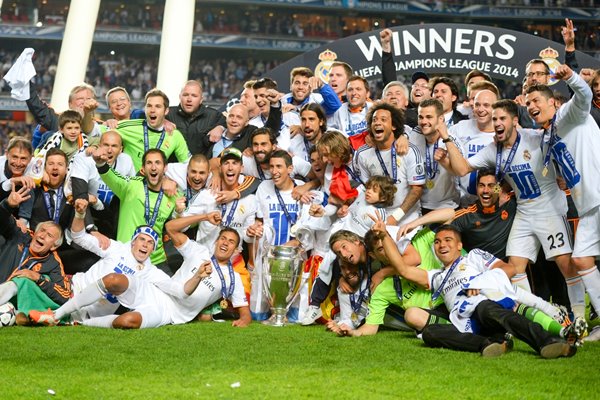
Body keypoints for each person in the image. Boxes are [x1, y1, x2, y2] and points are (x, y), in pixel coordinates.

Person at [441, 99, 574, 303]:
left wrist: (562, 174)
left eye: (502, 118)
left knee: (565, 264)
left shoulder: (534, 137)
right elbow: (462, 169)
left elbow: (561, 147)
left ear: (514, 121)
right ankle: (531, 311)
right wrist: (447, 139)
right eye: (495, 119)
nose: (497, 123)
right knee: (515, 266)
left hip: (550, 211)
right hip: (524, 212)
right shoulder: (493, 150)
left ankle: (579, 313)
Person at [377, 223, 576, 358]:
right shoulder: (436, 277)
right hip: (464, 322)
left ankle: (546, 342)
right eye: (437, 242)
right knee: (430, 334)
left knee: (485, 308)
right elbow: (403, 269)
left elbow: (508, 269)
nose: (441, 245)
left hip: (486, 309)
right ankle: (488, 344)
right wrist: (384, 236)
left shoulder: (473, 257)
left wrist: (479, 283)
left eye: (447, 240)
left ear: (459, 245)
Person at [32, 227, 251, 329]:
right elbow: (172, 228)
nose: (224, 243)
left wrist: (243, 320)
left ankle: (78, 323)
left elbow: (182, 292)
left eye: (230, 241)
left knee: (127, 322)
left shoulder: (233, 279)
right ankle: (57, 314)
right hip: (152, 292)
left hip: (168, 312)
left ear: (236, 249)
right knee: (115, 279)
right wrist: (92, 228)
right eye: (222, 238)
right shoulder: (199, 252)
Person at [526, 65, 600, 322]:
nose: (531, 106)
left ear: (553, 103)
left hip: (599, 195)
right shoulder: (547, 136)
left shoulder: (569, 114)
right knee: (581, 261)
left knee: (582, 260)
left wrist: (572, 78)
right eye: (527, 103)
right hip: (588, 204)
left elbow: (585, 97)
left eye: (536, 101)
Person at [93, 148, 181, 270]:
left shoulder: (174, 195)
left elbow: (183, 224)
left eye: (158, 163)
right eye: (149, 163)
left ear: (165, 168)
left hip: (156, 260)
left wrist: (179, 211)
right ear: (143, 169)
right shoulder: (131, 186)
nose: (153, 167)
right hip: (126, 257)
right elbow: (111, 176)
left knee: (172, 289)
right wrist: (100, 163)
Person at [0, 182, 70, 316]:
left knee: (22, 282)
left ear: (54, 246)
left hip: (10, 301)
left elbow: (65, 295)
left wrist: (38, 278)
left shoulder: (53, 262)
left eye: (49, 235)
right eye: (41, 231)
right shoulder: (20, 234)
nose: (42, 236)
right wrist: (7, 205)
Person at [355, 102, 424, 225]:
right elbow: (365, 188)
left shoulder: (409, 151)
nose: (377, 123)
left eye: (383, 119)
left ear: (393, 126)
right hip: (377, 217)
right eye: (374, 120)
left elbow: (417, 189)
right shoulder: (362, 154)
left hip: (408, 218)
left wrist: (395, 217)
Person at [69, 130, 136, 238]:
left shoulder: (126, 160)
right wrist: (92, 229)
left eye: (114, 146)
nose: (109, 150)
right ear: (99, 146)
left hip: (112, 213)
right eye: (106, 145)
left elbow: (133, 192)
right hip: (89, 211)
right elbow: (79, 195)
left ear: (121, 150)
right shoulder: (83, 159)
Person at [116, 89, 190, 172]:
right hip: (131, 183)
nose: (152, 110)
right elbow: (100, 130)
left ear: (166, 111)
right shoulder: (129, 127)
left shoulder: (174, 135)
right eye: (149, 106)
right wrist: (107, 123)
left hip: (156, 183)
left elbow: (187, 164)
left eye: (157, 106)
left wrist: (172, 179)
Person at [410, 99, 460, 212]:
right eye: (420, 117)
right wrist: (403, 136)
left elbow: (460, 171)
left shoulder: (451, 141)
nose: (423, 121)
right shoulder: (414, 135)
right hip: (419, 205)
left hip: (447, 207)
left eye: (429, 117)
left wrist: (444, 160)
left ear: (441, 119)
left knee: (433, 231)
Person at [166, 80, 225, 157]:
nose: (189, 99)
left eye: (194, 96)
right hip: (173, 166)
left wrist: (220, 127)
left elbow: (230, 122)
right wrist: (163, 121)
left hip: (201, 167)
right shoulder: (168, 113)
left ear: (201, 99)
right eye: (185, 95)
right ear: (180, 97)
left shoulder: (212, 115)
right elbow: (149, 119)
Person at [243, 127, 312, 181]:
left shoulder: (290, 160)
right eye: (255, 144)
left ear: (274, 146)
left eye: (263, 144)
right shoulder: (247, 160)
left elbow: (318, 177)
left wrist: (305, 187)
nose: (259, 149)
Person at [327, 75, 372, 150]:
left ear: (367, 93)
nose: (354, 93)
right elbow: (326, 129)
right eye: (350, 89)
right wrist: (343, 137)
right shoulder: (339, 110)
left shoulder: (374, 108)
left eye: (358, 89)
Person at [0, 137, 34, 202]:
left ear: (30, 158)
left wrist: (44, 173)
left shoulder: (35, 165)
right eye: (15, 157)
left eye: (23, 158)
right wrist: (11, 181)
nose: (18, 163)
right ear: (7, 154)